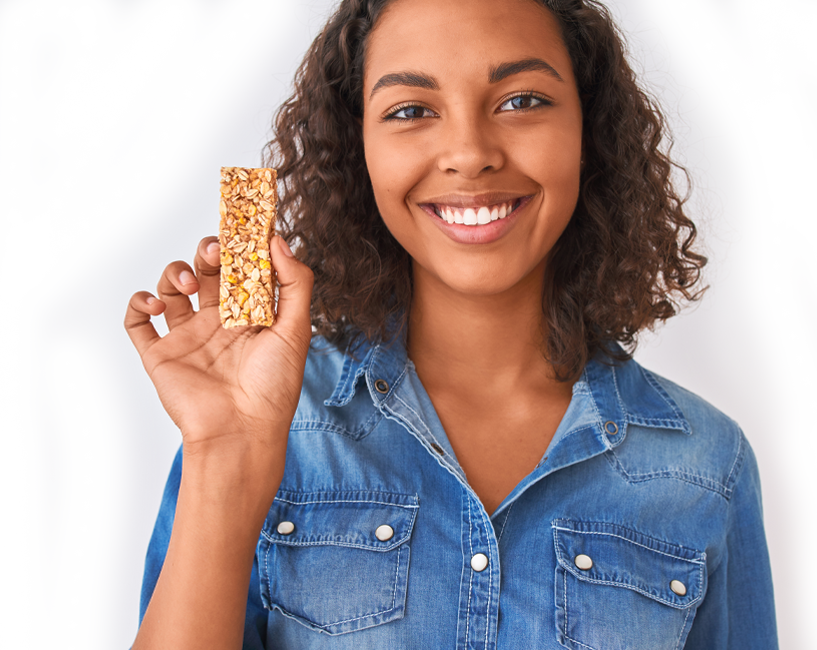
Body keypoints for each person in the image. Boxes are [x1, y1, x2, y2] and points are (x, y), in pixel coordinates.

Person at [125, 0, 779, 647]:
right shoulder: (264, 420)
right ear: (360, 151)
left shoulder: (705, 464)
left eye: (522, 101)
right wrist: (224, 455)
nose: (469, 154)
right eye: (411, 110)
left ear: (590, 131)